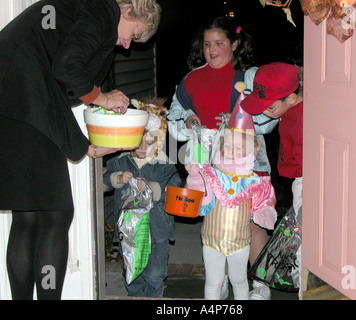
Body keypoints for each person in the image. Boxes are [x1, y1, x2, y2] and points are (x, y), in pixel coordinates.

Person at [0, 0, 161, 300]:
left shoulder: (83, 10)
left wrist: (85, 145)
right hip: (22, 98)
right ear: (128, 11)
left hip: (13, 96)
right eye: (133, 34)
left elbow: (57, 81)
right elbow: (67, 68)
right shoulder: (101, 11)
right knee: (55, 215)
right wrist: (103, 99)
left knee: (30, 217)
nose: (127, 45)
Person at [166, 16, 278, 299]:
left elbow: (270, 113)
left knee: (251, 221)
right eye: (206, 44)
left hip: (248, 160)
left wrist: (240, 119)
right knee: (216, 220)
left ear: (235, 44)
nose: (212, 50)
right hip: (209, 163)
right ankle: (223, 277)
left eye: (219, 43)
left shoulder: (249, 77)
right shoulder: (191, 79)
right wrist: (188, 121)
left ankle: (261, 283)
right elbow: (174, 115)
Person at [185, 95, 277, 300]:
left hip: (240, 241)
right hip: (211, 239)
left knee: (239, 280)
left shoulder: (254, 181)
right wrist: (195, 173)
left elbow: (264, 202)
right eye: (228, 146)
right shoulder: (210, 173)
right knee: (213, 282)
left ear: (251, 151)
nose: (232, 151)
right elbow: (197, 190)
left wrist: (264, 213)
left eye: (238, 148)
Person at [103, 98, 181, 298]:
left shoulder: (165, 166)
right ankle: (135, 296)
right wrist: (117, 178)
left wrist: (152, 188)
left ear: (159, 139)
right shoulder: (120, 161)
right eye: (138, 141)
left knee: (155, 273)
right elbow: (103, 179)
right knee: (132, 272)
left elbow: (174, 193)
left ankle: (155, 296)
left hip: (156, 230)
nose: (142, 147)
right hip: (128, 232)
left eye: (149, 141)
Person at [241, 62, 303, 297]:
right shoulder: (288, 108)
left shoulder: (307, 119)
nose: (263, 111)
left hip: (309, 183)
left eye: (269, 107)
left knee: (305, 247)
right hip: (296, 181)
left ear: (289, 98)